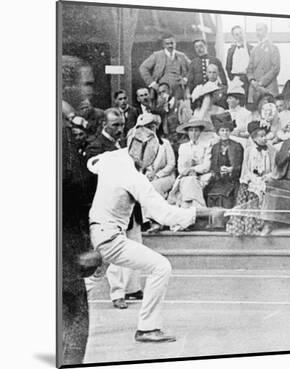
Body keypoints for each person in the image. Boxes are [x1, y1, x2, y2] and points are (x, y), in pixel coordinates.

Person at [87, 126, 223, 342]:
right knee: (161, 267)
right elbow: (165, 214)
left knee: (89, 281)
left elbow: (92, 164)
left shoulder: (111, 158)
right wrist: (203, 213)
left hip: (96, 232)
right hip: (110, 238)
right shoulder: (133, 177)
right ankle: (148, 328)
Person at [60, 54, 100, 365]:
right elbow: (70, 189)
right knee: (73, 321)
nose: (89, 92)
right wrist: (83, 246)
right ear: (66, 85)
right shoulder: (61, 132)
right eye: (84, 84)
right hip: (64, 250)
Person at [84, 109, 144, 310]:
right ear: (104, 124)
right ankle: (117, 294)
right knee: (113, 254)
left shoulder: (124, 145)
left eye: (122, 124)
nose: (120, 129)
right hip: (110, 210)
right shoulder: (95, 147)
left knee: (136, 245)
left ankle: (133, 288)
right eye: (115, 125)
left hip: (129, 205)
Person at [226, 121, 277, 236]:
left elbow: (274, 168)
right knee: (247, 192)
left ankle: (259, 224)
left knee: (261, 191)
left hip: (265, 179)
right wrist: (252, 179)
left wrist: (267, 176)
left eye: (265, 136)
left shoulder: (271, 150)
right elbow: (246, 169)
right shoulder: (249, 150)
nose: (264, 139)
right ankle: (243, 225)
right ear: (254, 138)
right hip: (252, 180)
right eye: (261, 136)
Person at [168, 117, 213, 213]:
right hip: (186, 176)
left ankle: (188, 213)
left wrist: (193, 169)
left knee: (191, 182)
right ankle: (195, 212)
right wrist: (188, 172)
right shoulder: (183, 147)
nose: (193, 133)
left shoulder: (206, 145)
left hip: (203, 176)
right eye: (191, 130)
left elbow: (206, 165)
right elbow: (181, 168)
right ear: (187, 132)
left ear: (200, 132)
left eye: (196, 130)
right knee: (189, 181)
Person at [206, 112, 244, 210]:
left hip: (233, 180)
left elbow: (241, 165)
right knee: (211, 194)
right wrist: (219, 169)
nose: (225, 133)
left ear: (230, 131)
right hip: (219, 180)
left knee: (226, 196)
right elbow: (213, 166)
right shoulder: (215, 147)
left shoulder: (237, 146)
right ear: (218, 132)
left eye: (227, 130)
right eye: (222, 130)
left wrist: (231, 169)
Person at [139, 33, 191, 100]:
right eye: (167, 43)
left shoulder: (182, 56)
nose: (170, 45)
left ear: (175, 43)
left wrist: (185, 79)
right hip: (162, 89)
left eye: (172, 43)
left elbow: (192, 68)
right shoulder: (157, 55)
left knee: (178, 108)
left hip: (179, 89)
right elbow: (143, 68)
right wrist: (152, 83)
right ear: (163, 45)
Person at [246, 23, 280, 106]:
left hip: (269, 86)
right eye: (256, 30)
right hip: (255, 88)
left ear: (266, 31)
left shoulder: (273, 48)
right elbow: (249, 69)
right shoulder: (254, 50)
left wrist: (262, 82)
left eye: (260, 30)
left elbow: (276, 68)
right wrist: (252, 80)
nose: (258, 32)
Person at [225, 25, 253, 97]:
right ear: (234, 37)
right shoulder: (230, 50)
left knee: (249, 100)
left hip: (248, 79)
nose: (239, 36)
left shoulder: (251, 49)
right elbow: (228, 67)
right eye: (237, 34)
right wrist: (233, 78)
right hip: (236, 79)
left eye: (241, 33)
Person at [225, 78, 252, 145]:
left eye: (230, 98)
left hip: (241, 141)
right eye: (227, 98)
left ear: (238, 100)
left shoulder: (246, 113)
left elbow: (250, 133)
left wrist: (239, 134)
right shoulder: (225, 113)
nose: (227, 101)